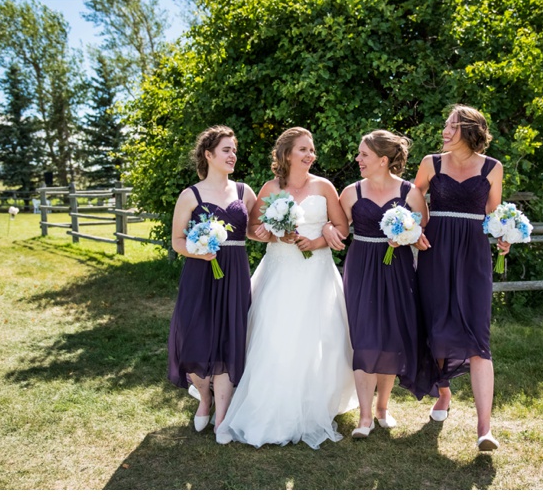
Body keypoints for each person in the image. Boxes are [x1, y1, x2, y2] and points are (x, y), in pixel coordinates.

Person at [214, 127, 358, 448]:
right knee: (275, 333)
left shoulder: (324, 186)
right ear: (287, 154)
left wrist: (319, 239)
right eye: (303, 149)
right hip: (279, 269)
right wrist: (271, 233)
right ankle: (270, 403)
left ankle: (312, 404)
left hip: (316, 272)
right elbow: (251, 228)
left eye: (312, 149)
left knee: (316, 336)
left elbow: (342, 227)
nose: (310, 154)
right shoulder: (270, 188)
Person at [413, 105, 510, 452]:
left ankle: (484, 429)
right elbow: (413, 195)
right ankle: (443, 392)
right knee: (437, 324)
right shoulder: (431, 163)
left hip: (473, 255)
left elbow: (494, 213)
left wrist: (504, 234)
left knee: (478, 332)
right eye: (445, 125)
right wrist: (414, 226)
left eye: (451, 127)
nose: (444, 131)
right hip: (435, 250)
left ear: (469, 131)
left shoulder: (492, 168)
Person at [328, 130, 433, 438]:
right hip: (361, 266)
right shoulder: (350, 193)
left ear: (383, 160)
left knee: (390, 336)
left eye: (364, 155)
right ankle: (363, 416)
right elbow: (338, 227)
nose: (358, 159)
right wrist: (325, 226)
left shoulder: (409, 192)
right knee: (364, 335)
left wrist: (407, 236)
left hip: (397, 269)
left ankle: (382, 408)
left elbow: (422, 226)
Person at [167, 125, 257, 435]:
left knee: (229, 339)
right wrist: (197, 250)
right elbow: (177, 240)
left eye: (234, 149)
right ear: (209, 155)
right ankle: (204, 398)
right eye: (227, 150)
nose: (233, 154)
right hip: (200, 273)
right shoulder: (190, 195)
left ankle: (223, 416)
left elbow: (260, 230)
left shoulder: (244, 192)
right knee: (196, 338)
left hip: (234, 273)